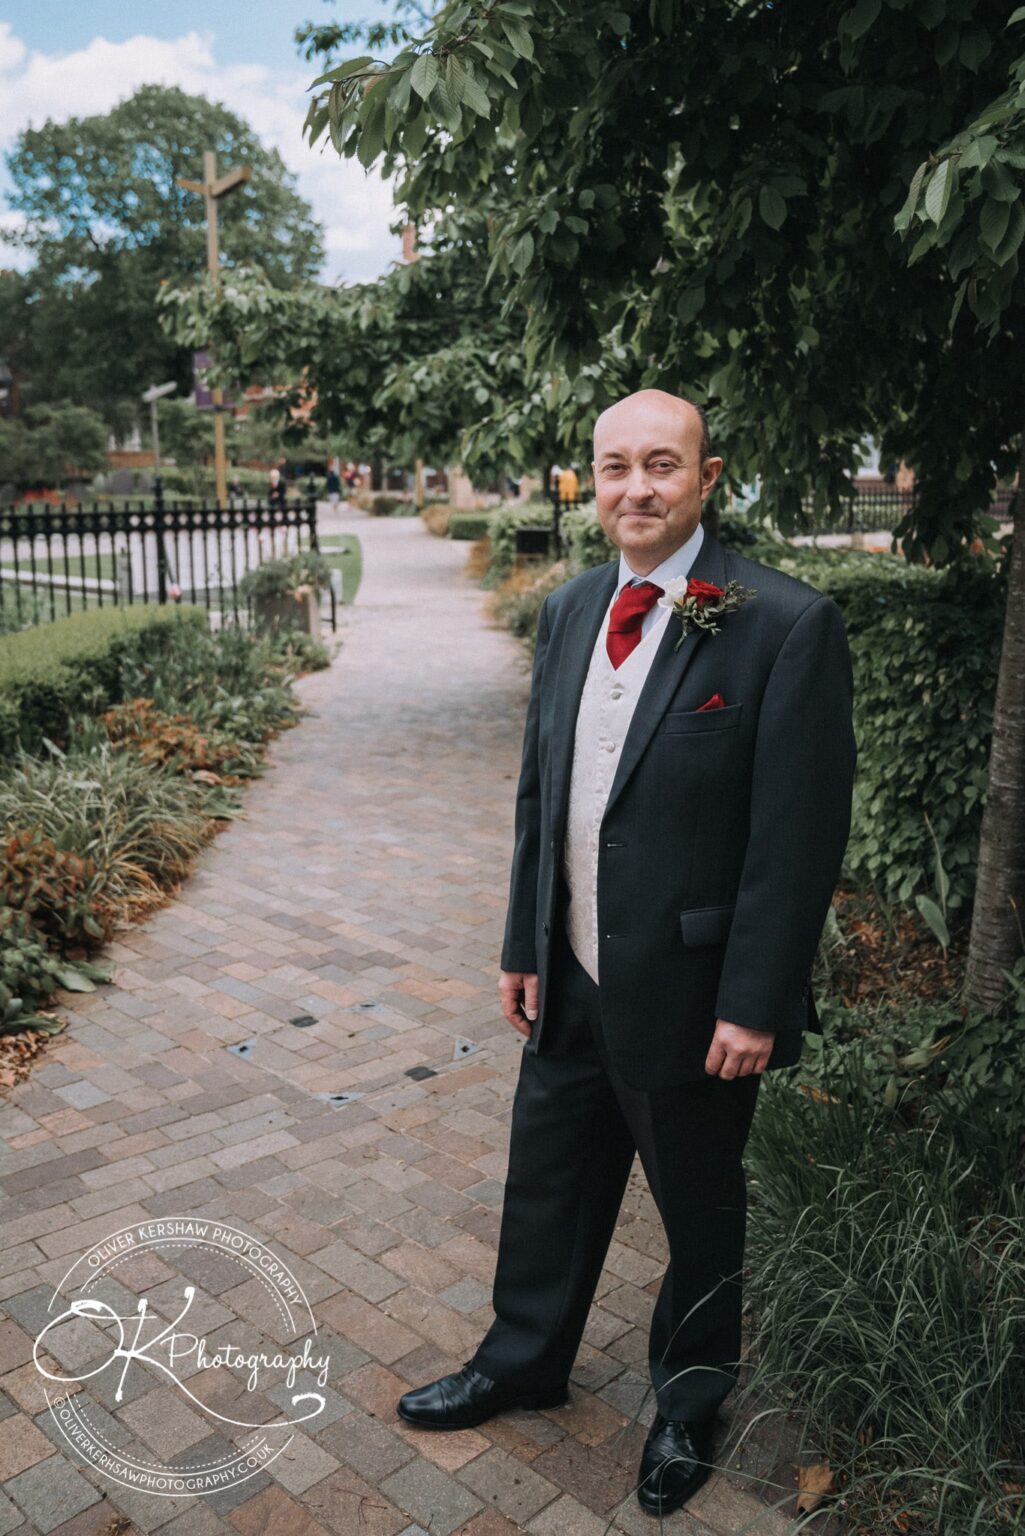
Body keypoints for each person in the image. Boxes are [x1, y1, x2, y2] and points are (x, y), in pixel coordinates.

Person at [397, 389, 858, 1518]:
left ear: (706, 478)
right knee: (547, 1181)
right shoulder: (566, 611)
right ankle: (522, 1360)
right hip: (569, 974)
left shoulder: (782, 622)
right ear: (589, 482)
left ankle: (688, 1402)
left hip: (695, 995)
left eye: (661, 464)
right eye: (614, 467)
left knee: (696, 1209)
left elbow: (794, 841)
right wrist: (523, 942)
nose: (636, 488)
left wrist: (753, 1001)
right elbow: (541, 795)